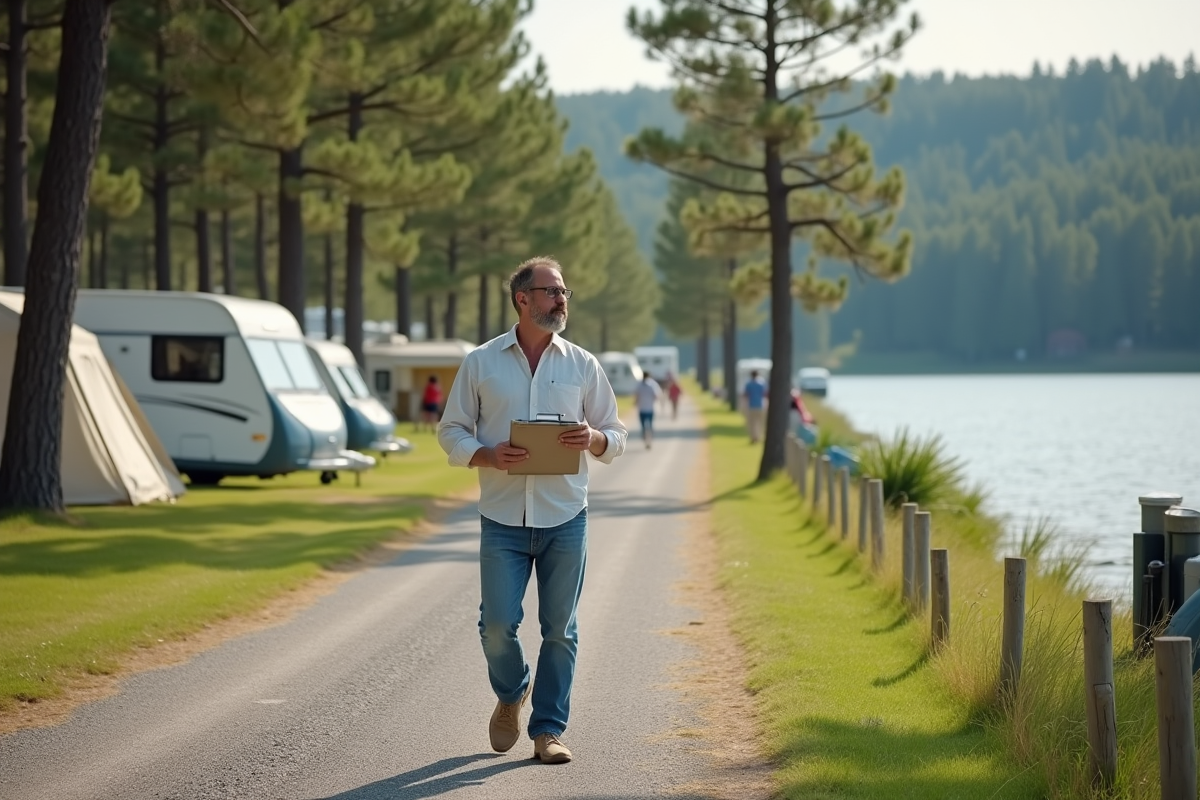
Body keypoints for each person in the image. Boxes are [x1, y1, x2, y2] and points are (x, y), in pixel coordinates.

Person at [437, 256, 627, 765]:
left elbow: (618, 435)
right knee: (496, 626)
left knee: (560, 629)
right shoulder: (481, 361)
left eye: (564, 291)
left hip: (567, 516)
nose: (562, 299)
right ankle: (512, 690)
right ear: (523, 299)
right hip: (501, 518)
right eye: (551, 291)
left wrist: (595, 438)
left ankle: (548, 731)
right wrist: (487, 454)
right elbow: (450, 429)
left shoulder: (583, 364)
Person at [634, 372, 662, 448]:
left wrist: (636, 402)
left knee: (643, 426)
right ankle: (649, 440)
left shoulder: (639, 385)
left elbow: (636, 395)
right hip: (650, 408)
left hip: (642, 408)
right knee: (650, 425)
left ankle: (645, 439)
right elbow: (657, 396)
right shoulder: (653, 384)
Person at [741, 369, 767, 444]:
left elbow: (745, 394)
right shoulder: (762, 384)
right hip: (760, 405)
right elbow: (765, 394)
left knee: (752, 423)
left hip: (751, 405)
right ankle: (759, 436)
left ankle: (753, 437)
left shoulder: (749, 384)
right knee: (761, 422)